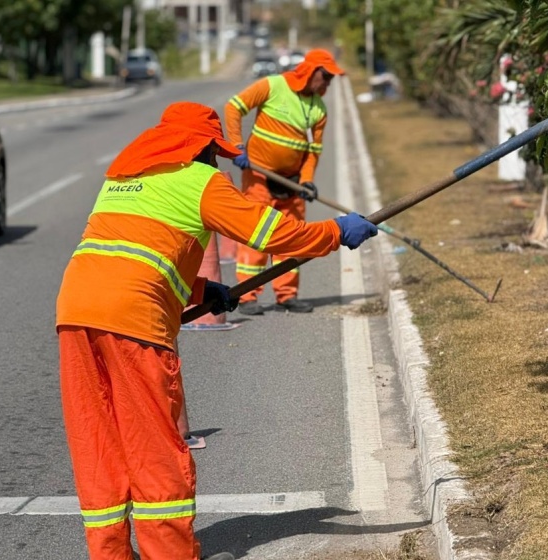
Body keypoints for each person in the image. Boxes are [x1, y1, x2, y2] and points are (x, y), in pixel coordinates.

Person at [55, 101, 377, 560]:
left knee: (99, 442)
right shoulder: (201, 180)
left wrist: (202, 288)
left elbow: (133, 254)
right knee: (155, 449)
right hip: (132, 320)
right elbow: (270, 233)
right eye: (216, 153)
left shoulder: (124, 180)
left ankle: (109, 554)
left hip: (74, 313)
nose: (218, 161)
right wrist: (334, 232)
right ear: (203, 148)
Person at [224, 48, 344, 315]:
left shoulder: (318, 108)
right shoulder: (273, 85)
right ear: (311, 71)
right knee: (256, 234)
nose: (327, 83)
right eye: (325, 77)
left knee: (293, 237)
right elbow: (234, 108)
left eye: (331, 79)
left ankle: (287, 295)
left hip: (292, 183)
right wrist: (237, 147)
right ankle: (247, 295)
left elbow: (314, 151)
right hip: (258, 176)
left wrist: (308, 180)